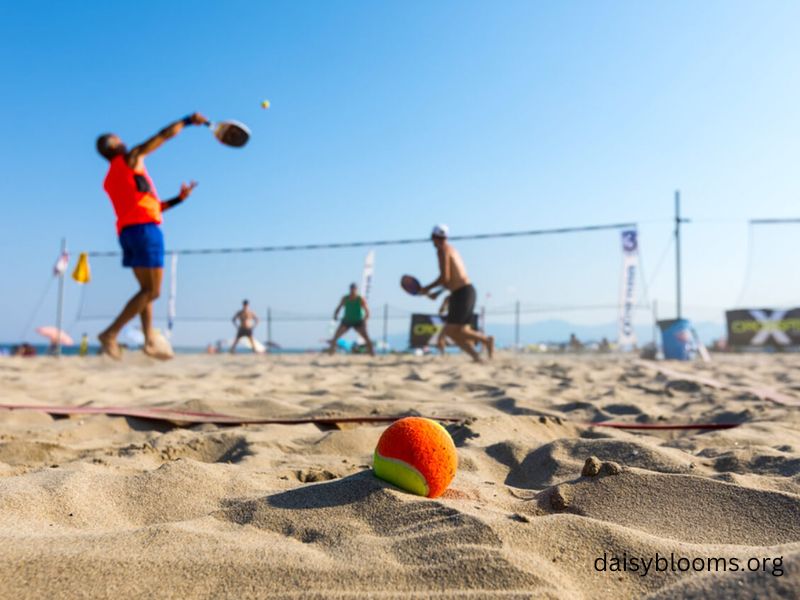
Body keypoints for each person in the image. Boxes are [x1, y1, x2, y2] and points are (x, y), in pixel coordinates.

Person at [95, 113, 207, 360]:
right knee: (153, 292)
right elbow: (162, 136)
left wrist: (179, 199)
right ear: (113, 146)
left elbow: (151, 205)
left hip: (128, 233)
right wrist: (188, 120)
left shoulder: (113, 177)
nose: (123, 140)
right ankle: (110, 333)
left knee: (145, 291)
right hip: (145, 231)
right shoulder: (130, 159)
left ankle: (149, 342)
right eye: (118, 139)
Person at [419, 225, 494, 362]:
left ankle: (485, 342)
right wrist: (437, 293)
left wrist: (427, 288)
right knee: (460, 331)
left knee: (451, 331)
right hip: (466, 291)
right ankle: (478, 356)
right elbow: (451, 279)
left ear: (433, 238)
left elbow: (445, 278)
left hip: (462, 293)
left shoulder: (442, 251)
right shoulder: (451, 249)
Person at [328, 283, 375, 356]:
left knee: (366, 337)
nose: (353, 291)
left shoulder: (360, 299)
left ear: (356, 290)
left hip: (358, 321)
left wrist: (365, 320)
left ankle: (372, 354)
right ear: (350, 289)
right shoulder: (345, 298)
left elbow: (367, 311)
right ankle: (331, 353)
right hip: (347, 321)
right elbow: (339, 307)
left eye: (354, 289)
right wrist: (335, 315)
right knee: (336, 336)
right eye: (351, 289)